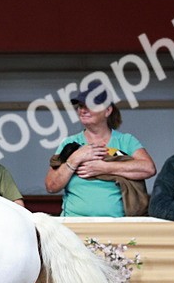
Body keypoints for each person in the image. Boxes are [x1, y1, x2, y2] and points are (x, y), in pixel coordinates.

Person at [44, 83, 156, 216]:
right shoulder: (69, 144)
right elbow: (51, 186)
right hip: (74, 225)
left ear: (108, 111)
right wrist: (75, 159)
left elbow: (148, 168)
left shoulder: (126, 141)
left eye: (90, 106)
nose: (83, 110)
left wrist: (104, 168)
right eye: (80, 106)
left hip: (117, 226)